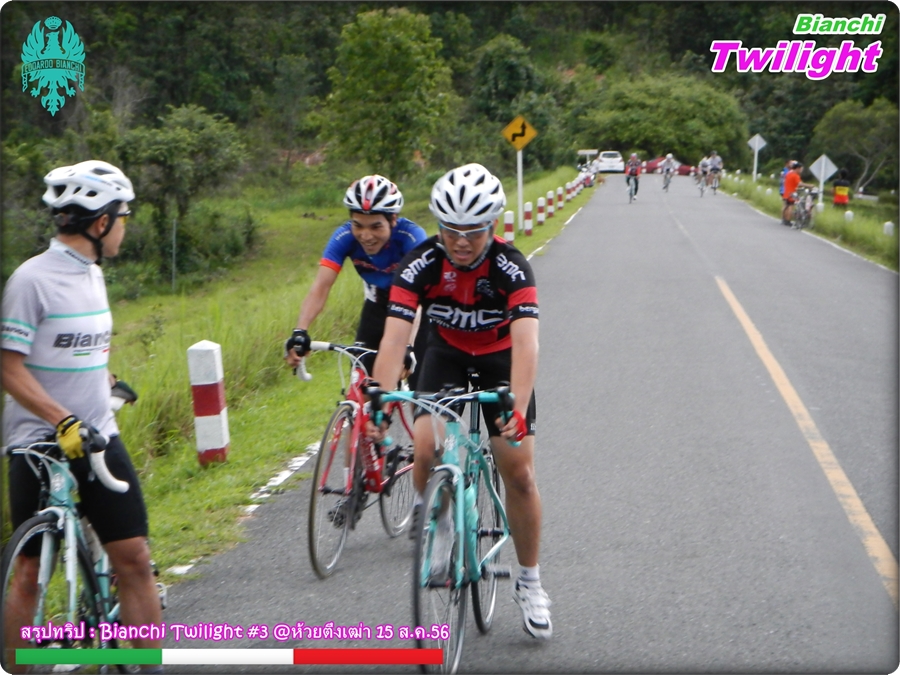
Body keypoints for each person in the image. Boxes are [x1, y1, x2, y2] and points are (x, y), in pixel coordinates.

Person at [365, 163, 551, 639]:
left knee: (520, 473)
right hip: (444, 354)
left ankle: (529, 581)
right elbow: (394, 338)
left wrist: (517, 408)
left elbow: (527, 344)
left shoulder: (511, 266)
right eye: (451, 231)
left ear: (492, 225)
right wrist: (379, 399)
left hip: (499, 360)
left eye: (473, 232)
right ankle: (441, 523)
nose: (461, 242)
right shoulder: (421, 262)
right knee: (425, 446)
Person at [1, 161, 163, 673]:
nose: (125, 227)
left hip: (98, 439)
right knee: (29, 573)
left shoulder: (92, 274)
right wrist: (62, 419)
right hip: (38, 444)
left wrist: (105, 380)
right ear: (102, 222)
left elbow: (75, 347)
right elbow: (8, 367)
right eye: (123, 217)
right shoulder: (31, 280)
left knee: (134, 560)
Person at [284, 175, 427, 384]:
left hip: (415, 308)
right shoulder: (344, 237)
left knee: (419, 387)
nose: (366, 236)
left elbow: (421, 299)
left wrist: (408, 345)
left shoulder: (412, 238)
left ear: (393, 220)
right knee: (363, 384)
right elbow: (321, 286)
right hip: (376, 305)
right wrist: (300, 331)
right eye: (358, 225)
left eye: (376, 227)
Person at [781, 161, 814, 226]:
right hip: (792, 193)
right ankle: (788, 220)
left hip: (786, 192)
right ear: (797, 168)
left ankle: (784, 219)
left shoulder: (789, 174)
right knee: (791, 206)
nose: (801, 171)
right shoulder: (795, 175)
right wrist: (809, 185)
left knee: (786, 206)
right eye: (801, 169)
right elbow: (799, 184)